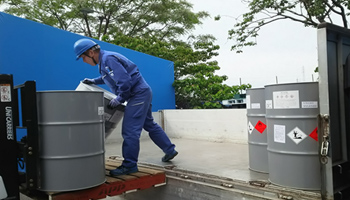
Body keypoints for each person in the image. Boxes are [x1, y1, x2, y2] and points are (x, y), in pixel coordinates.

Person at [74, 38, 178, 176]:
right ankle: (169, 150)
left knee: (130, 131)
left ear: (91, 52)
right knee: (149, 124)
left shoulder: (108, 59)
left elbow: (124, 81)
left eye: (83, 57)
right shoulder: (105, 60)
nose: (83, 61)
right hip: (142, 92)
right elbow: (108, 76)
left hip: (137, 95)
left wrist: (120, 98)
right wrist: (94, 81)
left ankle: (130, 165)